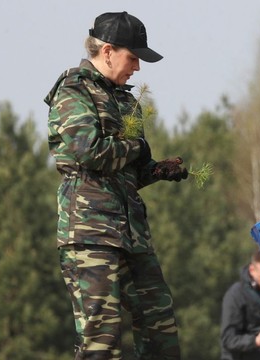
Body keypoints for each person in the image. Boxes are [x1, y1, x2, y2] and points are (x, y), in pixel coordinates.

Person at [44, 11, 188, 359]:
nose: (137, 67)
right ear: (107, 50)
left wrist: (155, 171)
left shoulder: (126, 101)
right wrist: (138, 147)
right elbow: (90, 153)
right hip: (90, 235)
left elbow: (124, 172)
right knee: (102, 341)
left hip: (132, 235)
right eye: (133, 57)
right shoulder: (74, 90)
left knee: (161, 330)